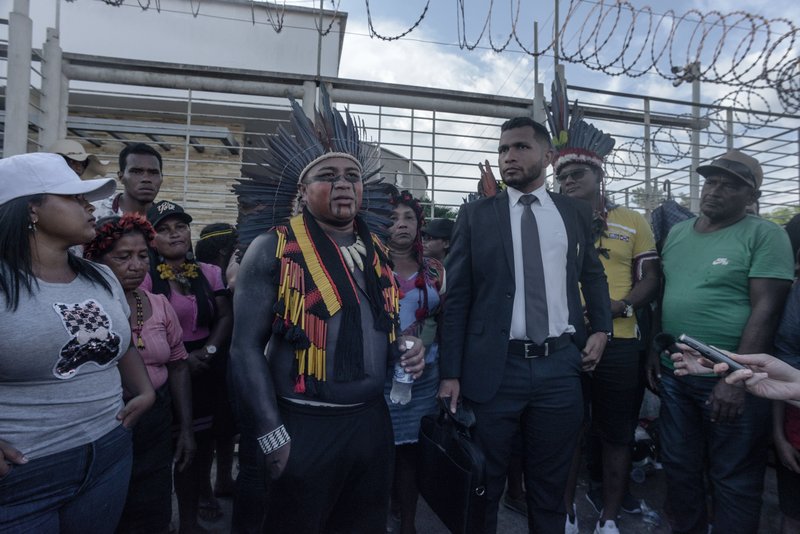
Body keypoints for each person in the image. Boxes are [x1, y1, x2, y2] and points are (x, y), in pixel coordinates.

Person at [229, 90, 425, 534]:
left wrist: (405, 346)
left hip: (371, 422)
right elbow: (244, 350)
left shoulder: (376, 251)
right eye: (328, 174)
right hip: (303, 422)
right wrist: (271, 434)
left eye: (352, 175)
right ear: (302, 190)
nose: (343, 183)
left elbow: (383, 326)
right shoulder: (273, 248)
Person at [438, 115, 613, 533]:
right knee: (483, 484)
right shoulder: (477, 216)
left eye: (520, 147)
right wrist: (451, 374)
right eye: (503, 149)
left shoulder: (573, 212)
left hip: (559, 369)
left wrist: (602, 328)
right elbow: (457, 298)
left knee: (550, 488)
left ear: (547, 156)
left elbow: (592, 273)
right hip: (495, 370)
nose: (509, 157)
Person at [0, 152, 155, 533]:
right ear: (30, 209)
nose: (89, 206)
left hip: (109, 453)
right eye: (73, 197)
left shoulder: (100, 276)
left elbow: (121, 345)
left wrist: (145, 390)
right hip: (24, 471)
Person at [646, 149, 794, 533]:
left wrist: (737, 377)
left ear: (751, 198)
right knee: (679, 467)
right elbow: (667, 294)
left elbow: (767, 309)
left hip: (736, 381)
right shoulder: (678, 233)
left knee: (734, 478)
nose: (715, 190)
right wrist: (656, 349)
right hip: (678, 374)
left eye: (730, 186)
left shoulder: (766, 234)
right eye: (711, 181)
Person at [548, 76, 661, 534]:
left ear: (600, 176)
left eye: (578, 174)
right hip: (565, 339)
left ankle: (610, 518)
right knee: (567, 433)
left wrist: (617, 307)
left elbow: (651, 277)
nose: (569, 181)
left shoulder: (631, 220)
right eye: (563, 176)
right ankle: (570, 514)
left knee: (615, 433)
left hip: (621, 340)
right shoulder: (550, 220)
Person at [83, 214, 196, 534]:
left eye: (143, 255)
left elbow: (177, 366)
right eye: (123, 257)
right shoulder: (85, 309)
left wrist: (185, 428)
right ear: (96, 259)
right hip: (105, 421)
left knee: (151, 504)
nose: (136, 265)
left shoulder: (159, 304)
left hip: (156, 421)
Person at [142, 200, 233, 534]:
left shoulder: (208, 272)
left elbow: (224, 315)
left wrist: (208, 350)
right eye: (164, 229)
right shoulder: (147, 278)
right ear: (152, 239)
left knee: (198, 446)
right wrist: (178, 359)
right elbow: (144, 327)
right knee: (165, 447)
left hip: (204, 365)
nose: (174, 234)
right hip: (166, 367)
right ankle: (159, 520)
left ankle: (190, 522)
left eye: (179, 227)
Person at [384, 190, 445, 534]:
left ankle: (407, 522)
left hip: (425, 377)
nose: (402, 224)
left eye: (409, 217)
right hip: (379, 376)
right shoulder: (368, 264)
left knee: (411, 453)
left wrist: (450, 375)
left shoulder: (434, 269)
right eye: (393, 218)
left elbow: (446, 321)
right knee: (380, 451)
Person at [194, 222, 239, 499]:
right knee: (207, 430)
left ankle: (223, 480)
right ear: (225, 250)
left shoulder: (235, 274)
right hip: (209, 358)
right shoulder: (201, 277)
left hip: (230, 358)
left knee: (227, 424)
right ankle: (205, 492)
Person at [93, 143, 164, 219]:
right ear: (121, 177)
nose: (146, 179)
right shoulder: (93, 213)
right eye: (136, 172)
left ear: (162, 178)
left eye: (153, 173)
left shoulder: (167, 219)